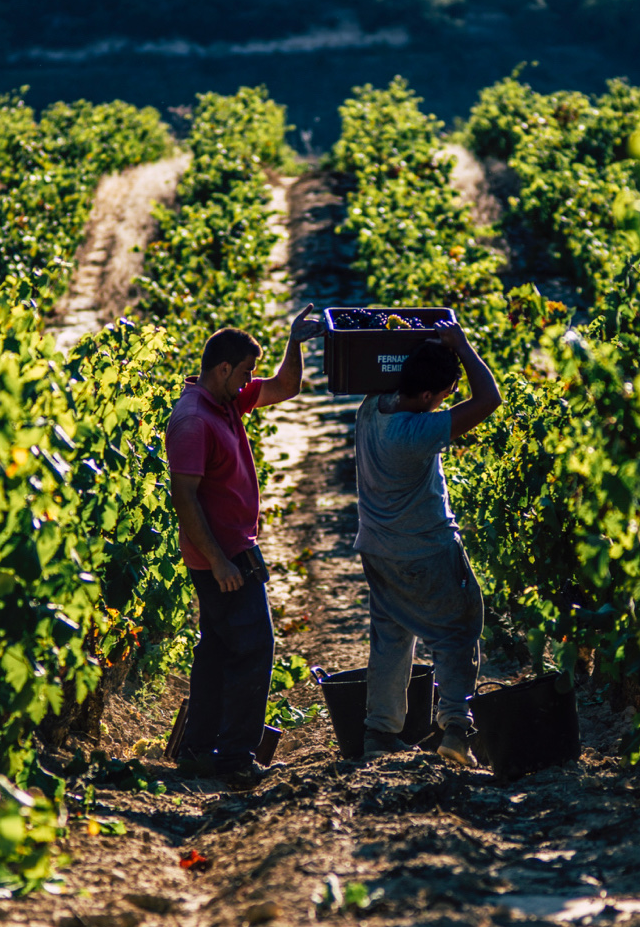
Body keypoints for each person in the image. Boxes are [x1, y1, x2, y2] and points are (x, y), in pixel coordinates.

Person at [166, 306, 322, 789]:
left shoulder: (225, 401)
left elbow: (284, 387)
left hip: (233, 550)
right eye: (246, 373)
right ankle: (235, 758)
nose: (250, 382)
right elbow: (184, 498)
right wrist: (218, 562)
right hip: (222, 556)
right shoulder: (194, 420)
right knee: (255, 647)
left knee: (217, 649)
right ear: (223, 368)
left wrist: (294, 342)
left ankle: (197, 751)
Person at [353, 324, 503, 768]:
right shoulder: (415, 432)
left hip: (377, 550)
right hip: (424, 551)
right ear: (424, 396)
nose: (444, 402)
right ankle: (456, 730)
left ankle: (379, 733)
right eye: (442, 396)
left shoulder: (371, 408)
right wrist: (464, 348)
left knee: (391, 637)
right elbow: (489, 400)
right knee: (457, 630)